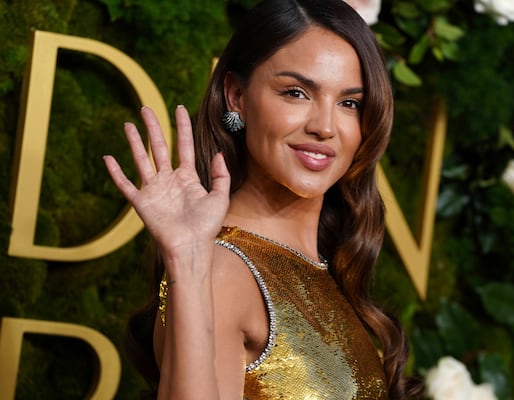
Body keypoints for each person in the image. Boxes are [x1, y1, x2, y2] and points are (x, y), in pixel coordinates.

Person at [104, 0, 423, 398]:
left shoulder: (326, 264)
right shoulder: (223, 269)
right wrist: (187, 261)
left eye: (349, 103)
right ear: (237, 95)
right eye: (296, 93)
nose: (324, 126)